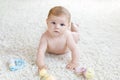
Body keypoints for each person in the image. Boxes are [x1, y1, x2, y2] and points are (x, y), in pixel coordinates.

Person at [36, 6, 80, 71]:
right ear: (47, 22)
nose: (57, 27)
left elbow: (74, 49)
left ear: (67, 25)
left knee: (76, 35)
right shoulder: (45, 37)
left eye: (62, 24)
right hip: (55, 40)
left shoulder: (67, 35)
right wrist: (41, 65)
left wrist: (74, 62)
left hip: (69, 38)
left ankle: (74, 27)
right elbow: (40, 51)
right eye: (53, 23)